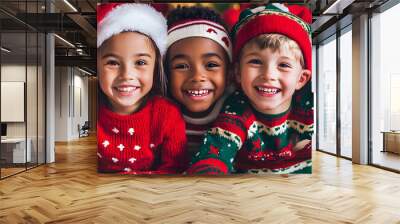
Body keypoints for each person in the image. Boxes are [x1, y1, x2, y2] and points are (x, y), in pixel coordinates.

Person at [187, 3, 314, 174]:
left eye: (283, 65)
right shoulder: (237, 110)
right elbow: (214, 154)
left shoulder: (309, 107)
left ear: (301, 78)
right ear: (238, 72)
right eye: (256, 62)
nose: (268, 75)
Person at [96, 3, 187, 174]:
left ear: (155, 66)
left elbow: (174, 170)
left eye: (140, 62)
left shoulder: (167, 115)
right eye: (113, 63)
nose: (126, 75)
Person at [165, 6, 234, 157]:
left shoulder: (236, 109)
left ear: (229, 74)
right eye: (181, 66)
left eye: (211, 65)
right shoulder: (159, 113)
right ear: (165, 74)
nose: (197, 76)